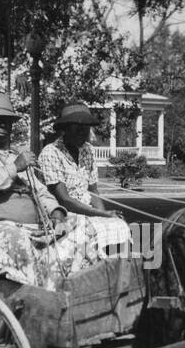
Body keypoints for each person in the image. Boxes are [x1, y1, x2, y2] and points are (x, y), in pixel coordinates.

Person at [0, 92, 105, 290]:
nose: (3, 125)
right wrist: (14, 168)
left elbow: (41, 192)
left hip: (27, 225)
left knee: (85, 228)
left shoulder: (14, 154)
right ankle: (39, 300)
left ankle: (75, 292)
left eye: (7, 121)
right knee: (21, 242)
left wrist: (55, 211)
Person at [38, 102, 132, 254]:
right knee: (90, 233)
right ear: (65, 129)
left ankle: (117, 271)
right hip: (64, 214)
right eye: (77, 127)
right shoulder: (51, 152)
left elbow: (93, 190)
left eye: (86, 127)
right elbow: (64, 200)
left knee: (119, 226)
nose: (83, 132)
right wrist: (102, 214)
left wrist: (106, 217)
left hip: (89, 212)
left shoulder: (87, 149)